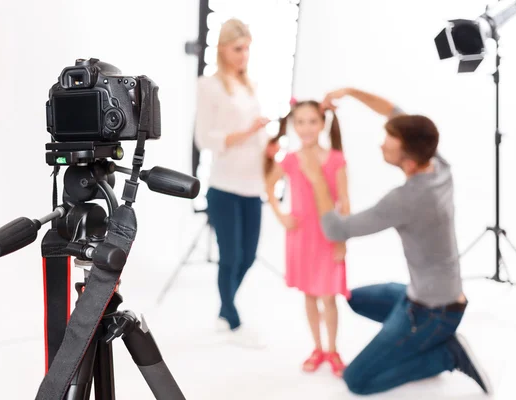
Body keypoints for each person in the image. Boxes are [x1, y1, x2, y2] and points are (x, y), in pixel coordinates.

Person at [297, 87, 492, 395]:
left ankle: (446, 354)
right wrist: (348, 92)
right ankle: (421, 334)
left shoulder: (407, 200)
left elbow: (336, 230)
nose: (381, 144)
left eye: (389, 143)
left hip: (433, 311)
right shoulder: (436, 162)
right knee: (353, 297)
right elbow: (392, 109)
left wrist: (317, 178)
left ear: (409, 162)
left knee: (357, 381)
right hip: (428, 293)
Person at [194, 18, 270, 348]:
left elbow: (257, 134)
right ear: (223, 49)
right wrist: (246, 133)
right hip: (224, 186)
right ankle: (232, 318)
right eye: (238, 49)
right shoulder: (208, 85)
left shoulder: (248, 85)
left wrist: (268, 143)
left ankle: (226, 309)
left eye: (248, 49)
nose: (244, 55)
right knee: (230, 256)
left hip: (253, 185)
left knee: (249, 256)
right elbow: (203, 139)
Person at [264, 99, 350, 376]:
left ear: (322, 123)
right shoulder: (290, 159)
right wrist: (280, 214)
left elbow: (345, 203)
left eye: (312, 121)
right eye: (300, 122)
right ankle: (317, 348)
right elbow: (269, 184)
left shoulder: (336, 159)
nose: (306, 127)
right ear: (293, 125)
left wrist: (342, 239)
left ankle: (333, 349)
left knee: (329, 296)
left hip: (327, 236)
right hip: (301, 236)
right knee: (310, 295)